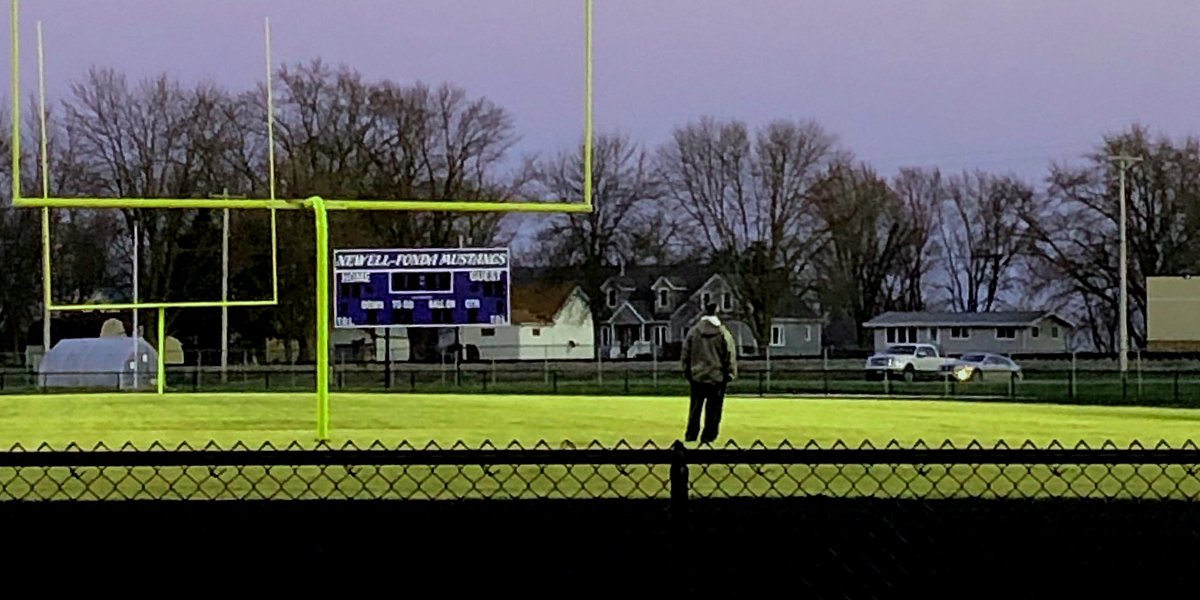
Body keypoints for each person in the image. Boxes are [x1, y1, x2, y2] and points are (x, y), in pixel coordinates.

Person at [680, 303, 737, 444]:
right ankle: (709, 436)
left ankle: (691, 434)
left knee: (695, 409)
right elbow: (729, 354)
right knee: (714, 410)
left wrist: (687, 371)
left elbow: (685, 354)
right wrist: (730, 372)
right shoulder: (723, 333)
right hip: (716, 376)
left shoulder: (694, 332)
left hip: (697, 375)